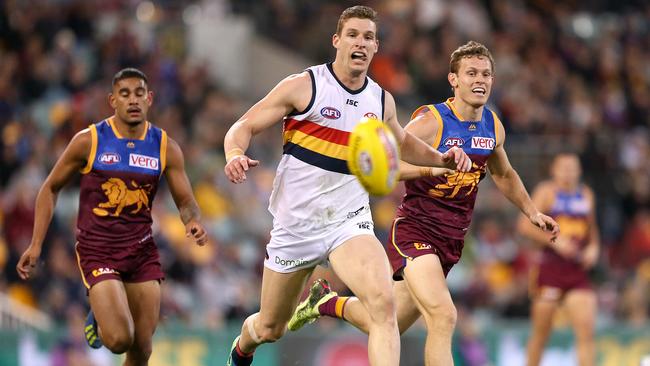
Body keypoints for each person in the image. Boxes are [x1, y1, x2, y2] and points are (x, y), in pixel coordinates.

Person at [222, 6, 471, 366]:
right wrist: (234, 153)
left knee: (383, 306)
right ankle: (243, 348)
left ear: (375, 47)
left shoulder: (381, 100)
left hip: (348, 222)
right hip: (296, 226)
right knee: (270, 326)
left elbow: (400, 140)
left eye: (368, 37)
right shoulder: (305, 86)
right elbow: (243, 126)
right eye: (353, 34)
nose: (361, 42)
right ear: (337, 41)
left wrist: (440, 158)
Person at [289, 40, 560, 365]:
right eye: (471, 73)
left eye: (486, 74)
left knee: (387, 322)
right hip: (415, 231)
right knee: (444, 315)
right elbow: (386, 162)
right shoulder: (432, 121)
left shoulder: (493, 124)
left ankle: (324, 303)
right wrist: (433, 166)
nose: (480, 80)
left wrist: (532, 211)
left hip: (451, 240)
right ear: (453, 80)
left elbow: (504, 174)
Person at [16, 68, 208, 366]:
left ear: (150, 99)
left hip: (142, 250)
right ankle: (101, 314)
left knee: (142, 348)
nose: (133, 100)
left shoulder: (165, 146)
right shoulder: (89, 140)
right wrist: (36, 243)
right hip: (98, 249)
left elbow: (186, 201)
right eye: (125, 94)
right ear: (112, 101)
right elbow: (50, 188)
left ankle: (107, 309)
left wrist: (191, 221)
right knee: (119, 339)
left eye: (139, 93)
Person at [519, 153, 599, 366]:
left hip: (576, 269)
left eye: (572, 167)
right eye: (563, 167)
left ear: (579, 171)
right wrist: (554, 241)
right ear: (553, 170)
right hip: (549, 268)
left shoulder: (586, 194)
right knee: (541, 333)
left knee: (586, 332)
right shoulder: (546, 192)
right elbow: (524, 226)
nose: (568, 172)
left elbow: (592, 229)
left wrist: (594, 248)